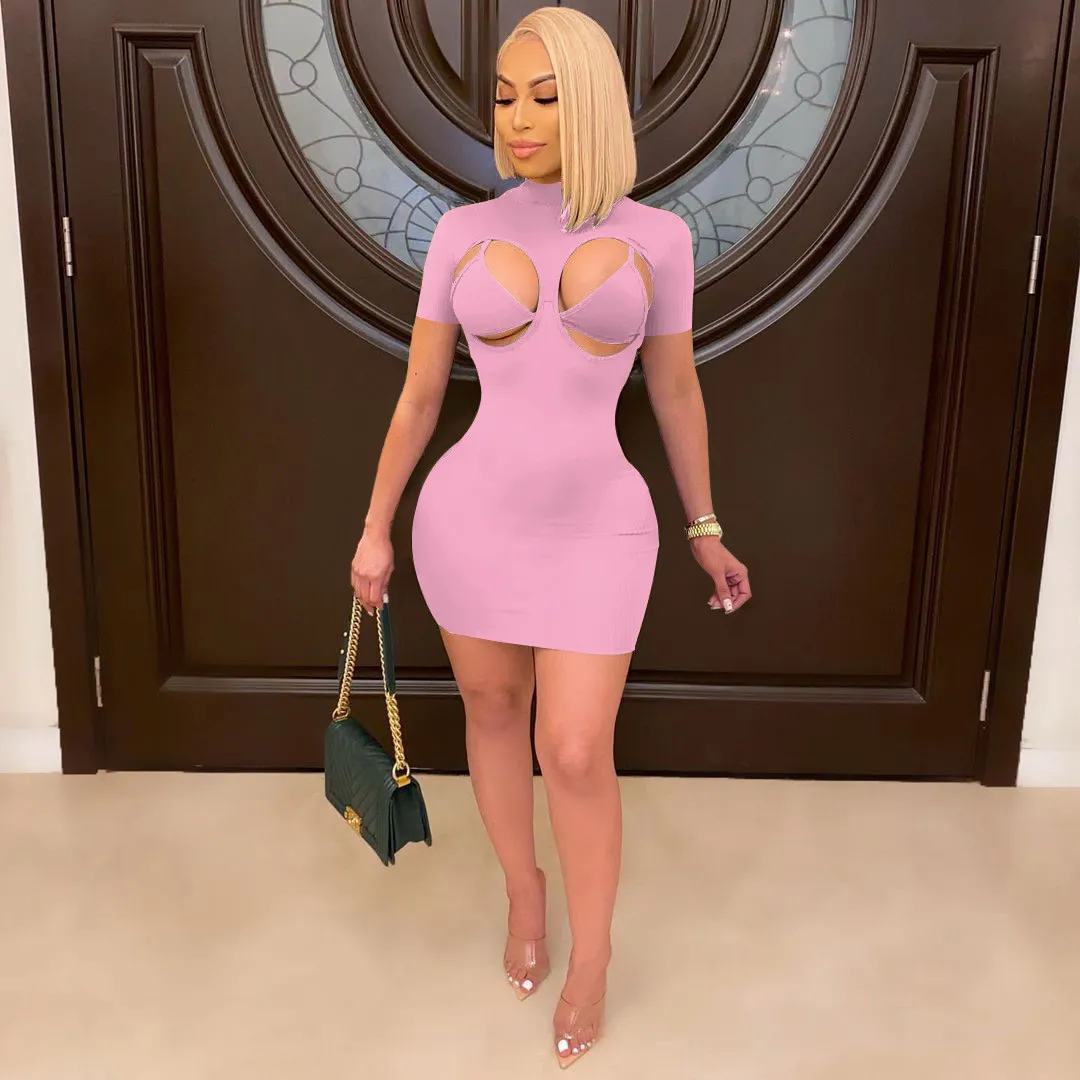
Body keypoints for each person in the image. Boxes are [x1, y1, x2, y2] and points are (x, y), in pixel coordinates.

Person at [351, 6, 751, 1067]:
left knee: (573, 749)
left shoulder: (661, 239)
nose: (516, 119)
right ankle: (524, 895)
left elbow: (675, 392)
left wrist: (705, 526)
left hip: (600, 526)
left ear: (596, 107)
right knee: (491, 708)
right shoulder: (461, 233)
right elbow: (420, 395)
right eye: (503, 97)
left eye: (544, 97)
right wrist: (376, 528)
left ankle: (594, 955)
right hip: (469, 517)